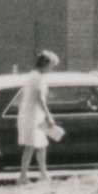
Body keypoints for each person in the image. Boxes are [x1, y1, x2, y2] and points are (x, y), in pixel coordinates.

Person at [14, 50, 63, 184]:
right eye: (52, 65)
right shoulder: (38, 78)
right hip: (32, 116)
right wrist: (49, 116)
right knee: (30, 146)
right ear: (46, 64)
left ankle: (43, 174)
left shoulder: (32, 75)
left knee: (41, 145)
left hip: (30, 115)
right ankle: (23, 177)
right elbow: (40, 99)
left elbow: (21, 96)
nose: (52, 68)